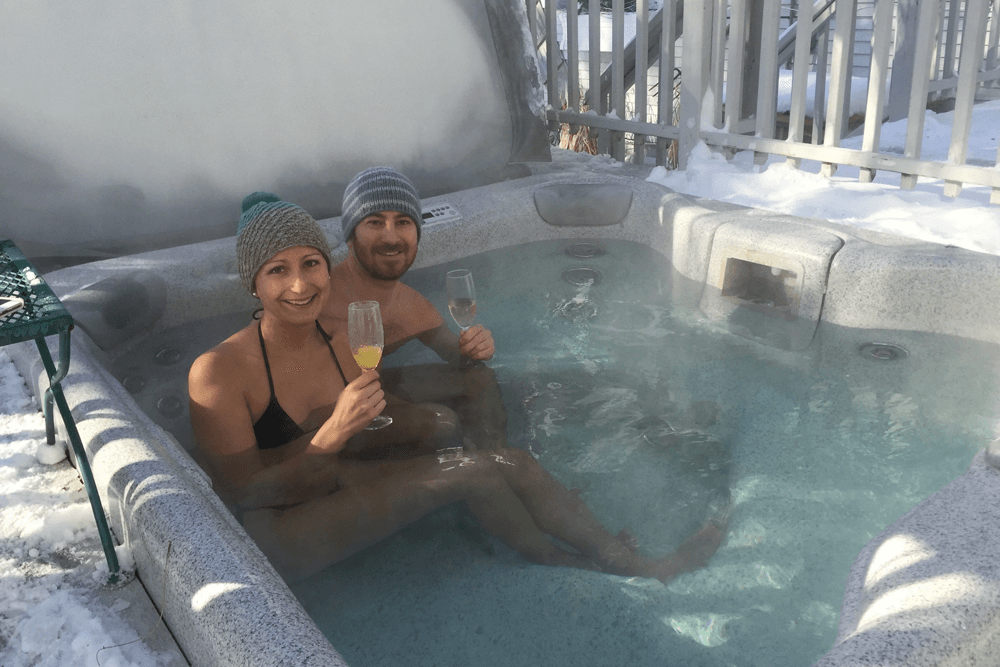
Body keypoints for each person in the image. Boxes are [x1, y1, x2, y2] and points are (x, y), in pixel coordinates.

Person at [188, 192, 724, 582]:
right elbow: (242, 495)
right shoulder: (218, 372)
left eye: (311, 264)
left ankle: (612, 555)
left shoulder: (339, 337)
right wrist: (332, 435)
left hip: (338, 476)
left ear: (328, 269)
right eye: (277, 271)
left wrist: (453, 424)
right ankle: (571, 560)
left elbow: (375, 424)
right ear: (253, 282)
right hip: (282, 530)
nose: (300, 283)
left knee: (504, 462)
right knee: (471, 469)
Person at [319, 166, 507, 452]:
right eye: (374, 222)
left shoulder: (412, 307)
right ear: (350, 235)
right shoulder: (317, 299)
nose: (391, 238)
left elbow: (463, 360)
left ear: (417, 233)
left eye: (403, 222)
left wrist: (478, 346)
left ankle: (496, 458)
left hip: (372, 393)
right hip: (323, 424)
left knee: (480, 378)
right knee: (439, 422)